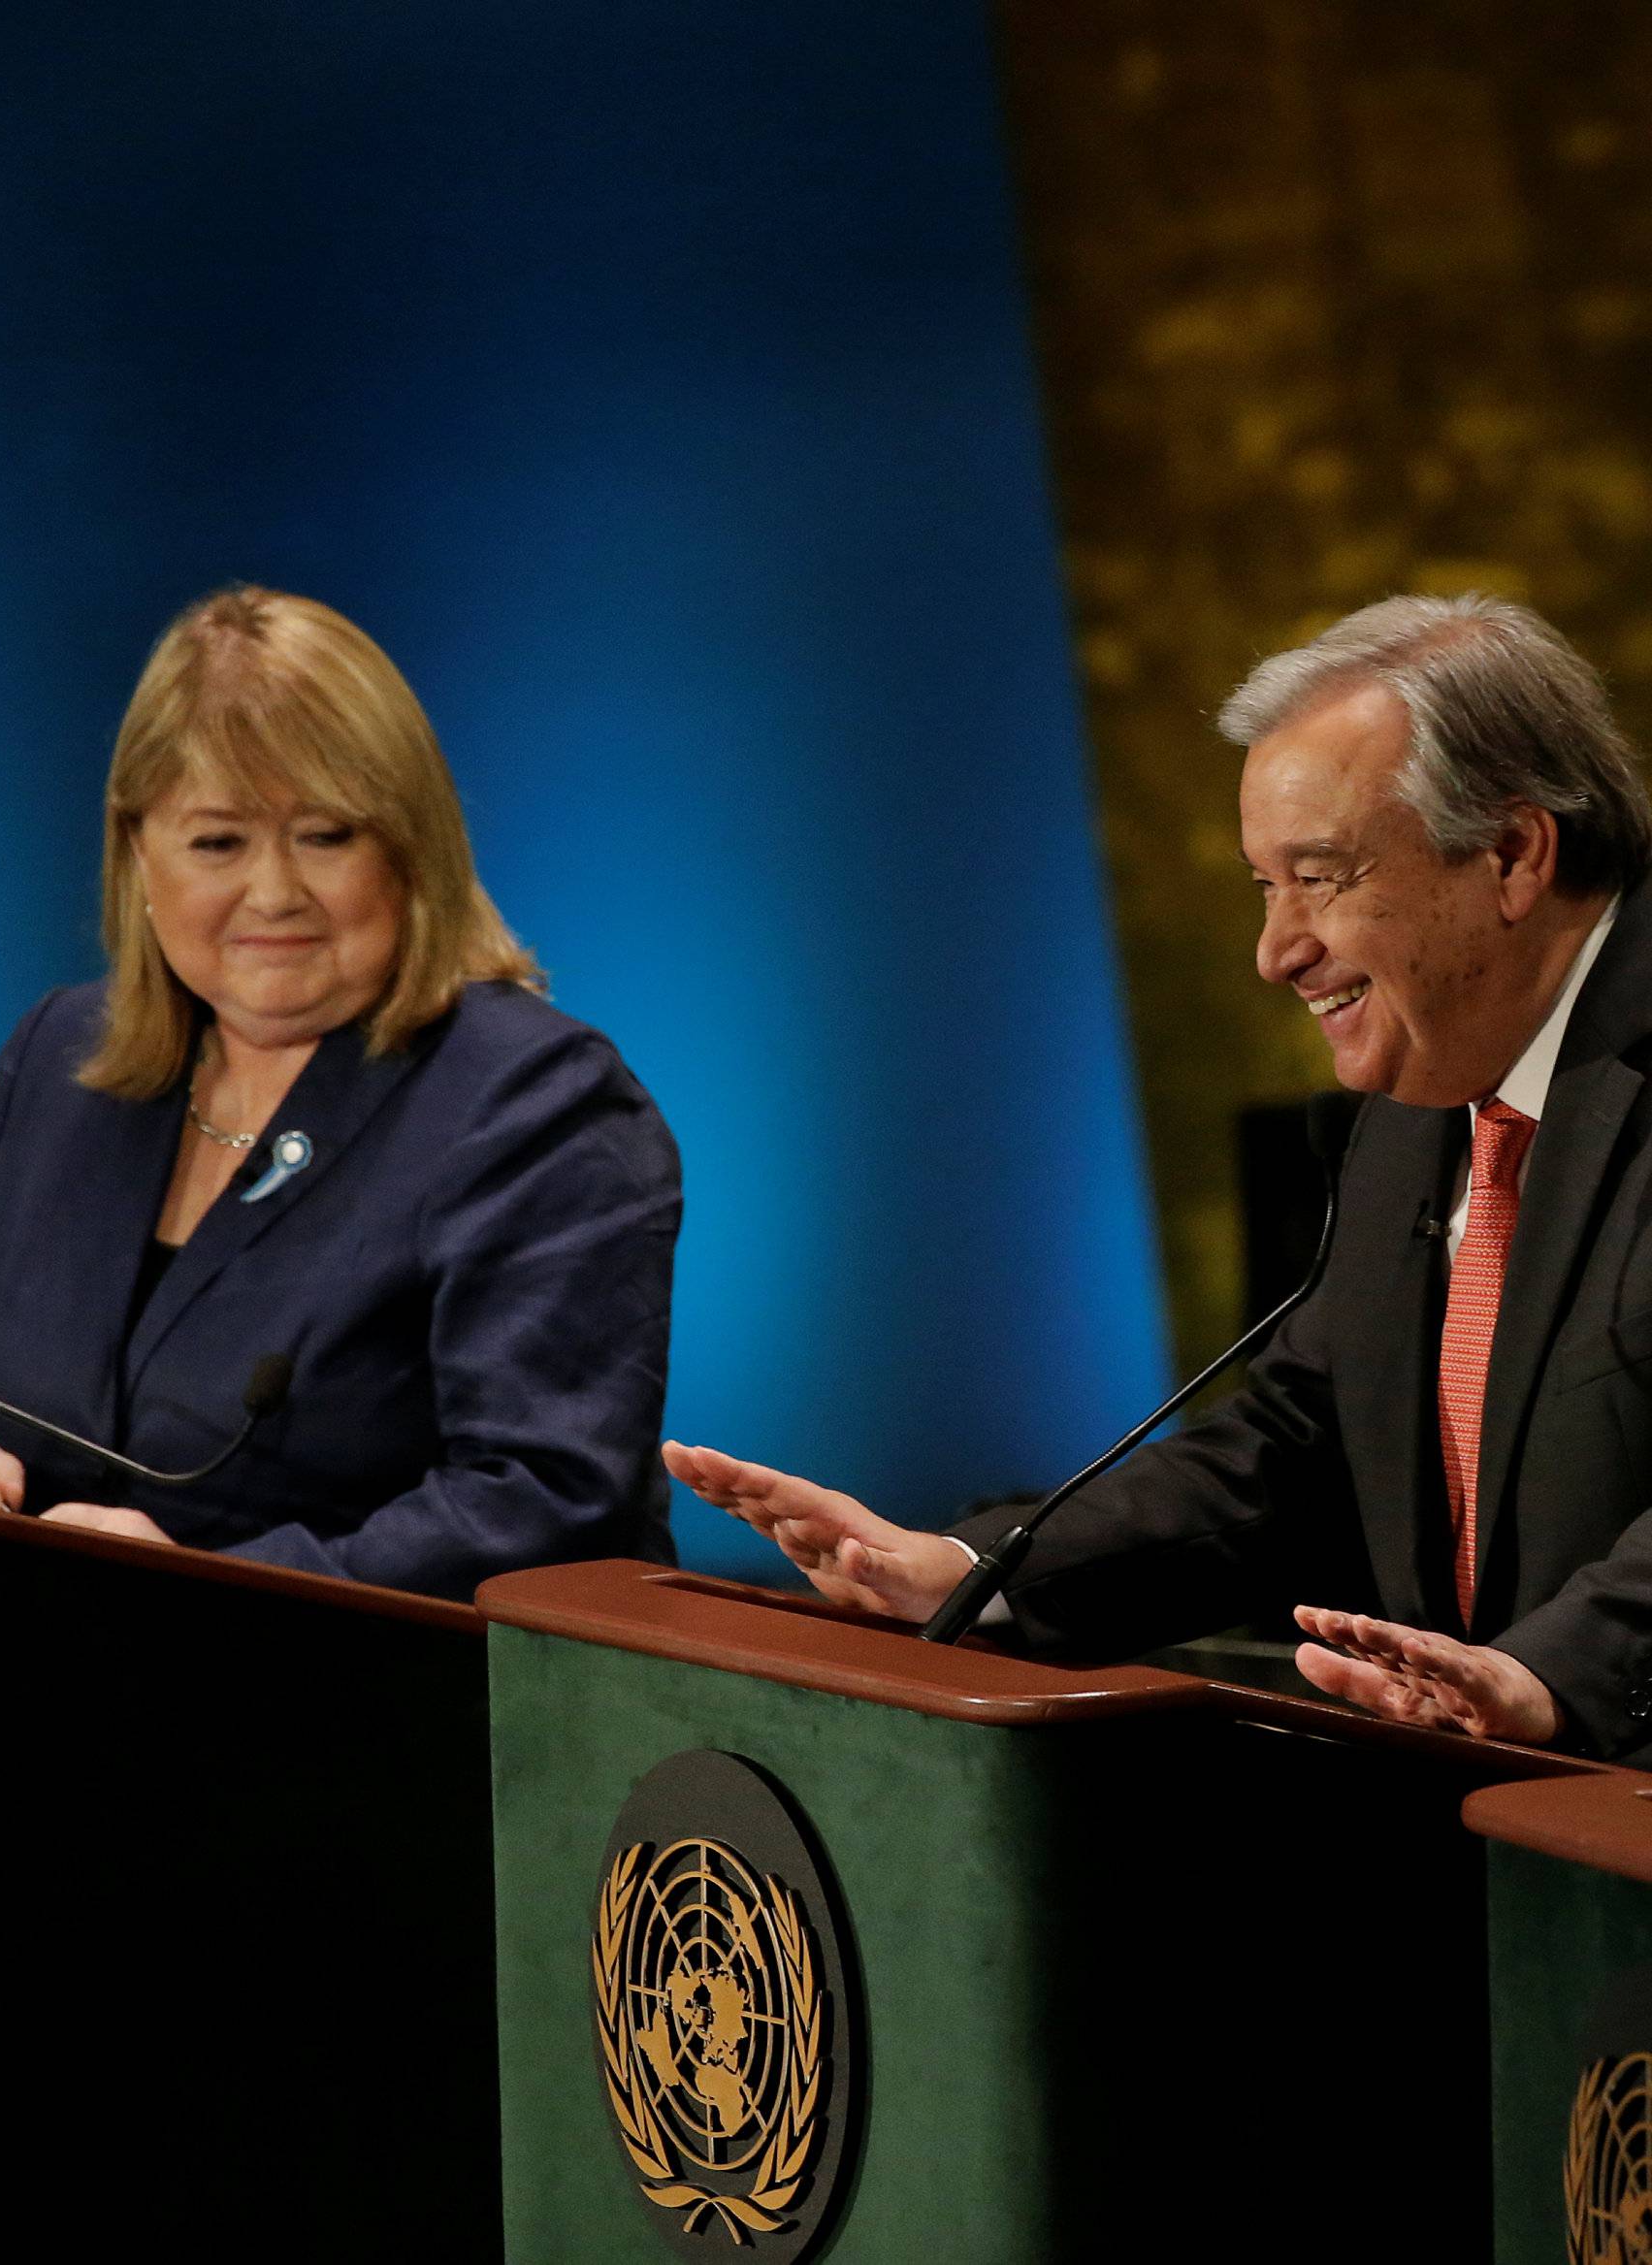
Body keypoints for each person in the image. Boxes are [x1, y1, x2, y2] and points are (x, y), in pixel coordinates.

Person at [667, 594, 1652, 1763]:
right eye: (1262, 885)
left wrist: (1551, 1678)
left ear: (1512, 853)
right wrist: (974, 1571)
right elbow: (1304, 1440)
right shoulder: (1422, 1097)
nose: (1276, 950)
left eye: (1322, 877)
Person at [0, 586, 681, 1597]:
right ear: (140, 853)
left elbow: (545, 1504)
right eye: (218, 842)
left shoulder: (533, 1102)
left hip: (366, 1717)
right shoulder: (58, 1062)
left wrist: (210, 1596)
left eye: (325, 836)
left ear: (412, 846)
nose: (273, 893)